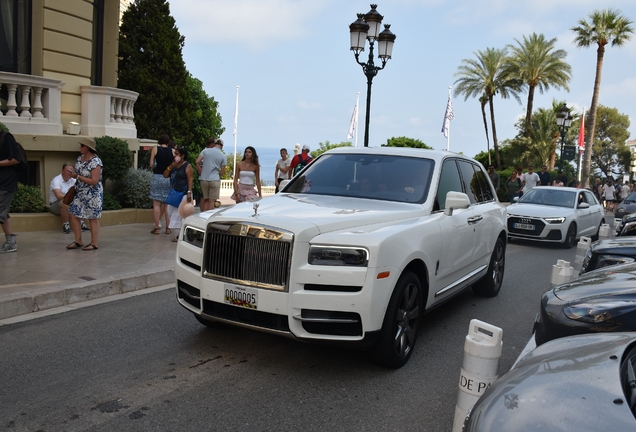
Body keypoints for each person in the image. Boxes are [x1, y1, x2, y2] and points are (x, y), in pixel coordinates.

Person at [66, 137, 103, 251]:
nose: (80, 148)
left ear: (87, 148)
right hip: (80, 191)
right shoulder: (79, 159)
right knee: (73, 214)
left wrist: (77, 176)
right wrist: (74, 174)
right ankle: (78, 241)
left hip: (92, 193)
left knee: (92, 217)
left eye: (82, 146)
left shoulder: (96, 162)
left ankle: (94, 243)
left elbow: (94, 181)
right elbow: (79, 173)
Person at [49, 162, 90, 234]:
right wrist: (71, 198)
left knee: (83, 199)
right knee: (64, 202)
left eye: (72, 171)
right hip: (56, 204)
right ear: (62, 171)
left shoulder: (73, 180)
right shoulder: (56, 180)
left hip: (70, 202)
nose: (70, 173)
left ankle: (81, 223)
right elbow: (58, 195)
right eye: (68, 171)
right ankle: (66, 225)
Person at [163, 146, 194, 242]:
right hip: (174, 192)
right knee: (171, 212)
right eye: (175, 154)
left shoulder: (187, 165)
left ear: (182, 156)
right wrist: (171, 166)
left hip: (184, 193)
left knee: (182, 214)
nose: (175, 156)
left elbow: (190, 179)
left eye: (177, 154)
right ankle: (181, 233)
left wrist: (189, 192)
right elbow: (165, 175)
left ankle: (182, 234)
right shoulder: (174, 166)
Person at [149, 134, 174, 235]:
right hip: (168, 179)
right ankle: (168, 228)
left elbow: (151, 164)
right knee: (166, 204)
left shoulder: (155, 149)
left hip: (157, 177)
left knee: (156, 204)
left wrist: (155, 165)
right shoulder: (172, 151)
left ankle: (157, 228)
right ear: (168, 141)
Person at [0, 130, 19, 253]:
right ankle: (11, 242)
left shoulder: (6, 138)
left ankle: (11, 243)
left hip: (5, 183)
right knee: (3, 213)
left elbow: (16, 159)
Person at [196, 137, 226, 212]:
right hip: (214, 179)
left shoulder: (205, 151)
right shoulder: (223, 156)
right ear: (221, 146)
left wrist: (203, 166)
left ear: (215, 144)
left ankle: (203, 217)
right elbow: (222, 172)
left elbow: (197, 161)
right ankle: (209, 217)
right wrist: (217, 174)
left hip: (204, 179)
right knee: (211, 201)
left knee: (205, 199)